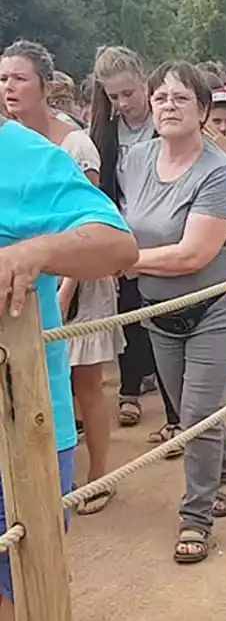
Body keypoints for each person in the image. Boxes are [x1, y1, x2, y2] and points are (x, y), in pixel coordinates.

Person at [0, 112, 137, 620]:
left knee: (22, 591)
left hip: (18, 421)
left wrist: (33, 252)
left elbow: (116, 244)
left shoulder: (22, 156)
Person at [120, 61, 226, 564]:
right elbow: (123, 224)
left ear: (202, 110)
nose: (169, 106)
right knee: (192, 409)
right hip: (159, 309)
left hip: (217, 308)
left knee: (195, 415)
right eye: (161, 98)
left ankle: (195, 518)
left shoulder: (218, 170)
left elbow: (193, 255)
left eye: (181, 98)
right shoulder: (135, 160)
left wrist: (123, 262)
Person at [0, 39, 128, 515]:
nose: (9, 86)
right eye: (4, 77)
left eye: (17, 78)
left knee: (25, 581)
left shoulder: (37, 152)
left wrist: (33, 254)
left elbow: (115, 242)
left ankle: (100, 472)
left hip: (20, 408)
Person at [89, 45, 180, 444]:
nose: (122, 103)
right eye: (113, 96)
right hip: (123, 236)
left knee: (166, 320)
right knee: (128, 316)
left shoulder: (167, 124)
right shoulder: (105, 132)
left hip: (165, 236)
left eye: (128, 93)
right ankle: (129, 391)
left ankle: (175, 410)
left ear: (144, 83)